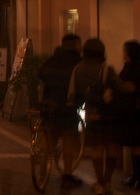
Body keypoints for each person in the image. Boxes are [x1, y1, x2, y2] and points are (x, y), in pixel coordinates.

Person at [68, 38, 131, 195]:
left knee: (97, 149)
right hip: (109, 115)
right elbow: (121, 87)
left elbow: (74, 93)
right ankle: (107, 182)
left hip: (92, 114)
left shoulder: (78, 69)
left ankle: (100, 182)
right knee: (111, 148)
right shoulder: (105, 69)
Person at [37, 33, 83, 188]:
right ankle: (67, 174)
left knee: (50, 137)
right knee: (68, 138)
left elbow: (40, 73)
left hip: (48, 103)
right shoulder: (78, 62)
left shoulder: (53, 58)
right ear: (75, 45)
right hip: (66, 105)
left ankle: (43, 170)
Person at [118, 40, 140, 190]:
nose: (123, 53)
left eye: (125, 50)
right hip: (133, 112)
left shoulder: (139, 68)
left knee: (137, 145)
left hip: (139, 113)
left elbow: (131, 87)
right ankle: (136, 177)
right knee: (134, 145)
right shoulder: (131, 66)